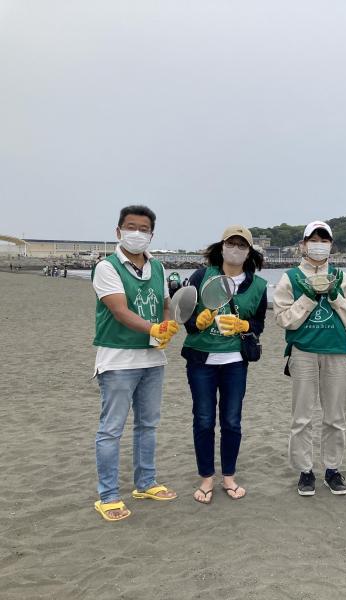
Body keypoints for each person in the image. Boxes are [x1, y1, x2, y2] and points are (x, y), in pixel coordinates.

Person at [91, 205, 180, 522]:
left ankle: (145, 483)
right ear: (118, 231)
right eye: (131, 227)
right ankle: (109, 495)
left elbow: (166, 304)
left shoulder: (158, 267)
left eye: (144, 229)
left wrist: (167, 326)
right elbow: (119, 310)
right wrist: (152, 328)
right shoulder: (107, 267)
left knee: (148, 425)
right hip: (117, 361)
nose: (137, 233)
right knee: (111, 429)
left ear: (152, 234)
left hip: (153, 360)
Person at [182, 226, 267, 504]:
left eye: (242, 245)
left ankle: (228, 476)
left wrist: (244, 325)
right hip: (201, 361)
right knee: (204, 420)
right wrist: (198, 323)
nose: (236, 249)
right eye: (232, 243)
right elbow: (185, 316)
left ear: (249, 252)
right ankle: (206, 478)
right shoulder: (200, 276)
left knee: (232, 421)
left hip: (235, 362)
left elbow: (258, 324)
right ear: (221, 247)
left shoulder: (258, 285)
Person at [273, 221, 346, 496]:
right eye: (314, 239)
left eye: (324, 240)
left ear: (331, 245)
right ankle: (305, 470)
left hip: (336, 351)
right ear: (303, 244)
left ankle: (332, 469)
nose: (319, 244)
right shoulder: (291, 277)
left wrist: (334, 296)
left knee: (335, 416)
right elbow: (284, 320)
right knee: (302, 417)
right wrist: (308, 299)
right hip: (303, 352)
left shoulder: (341, 277)